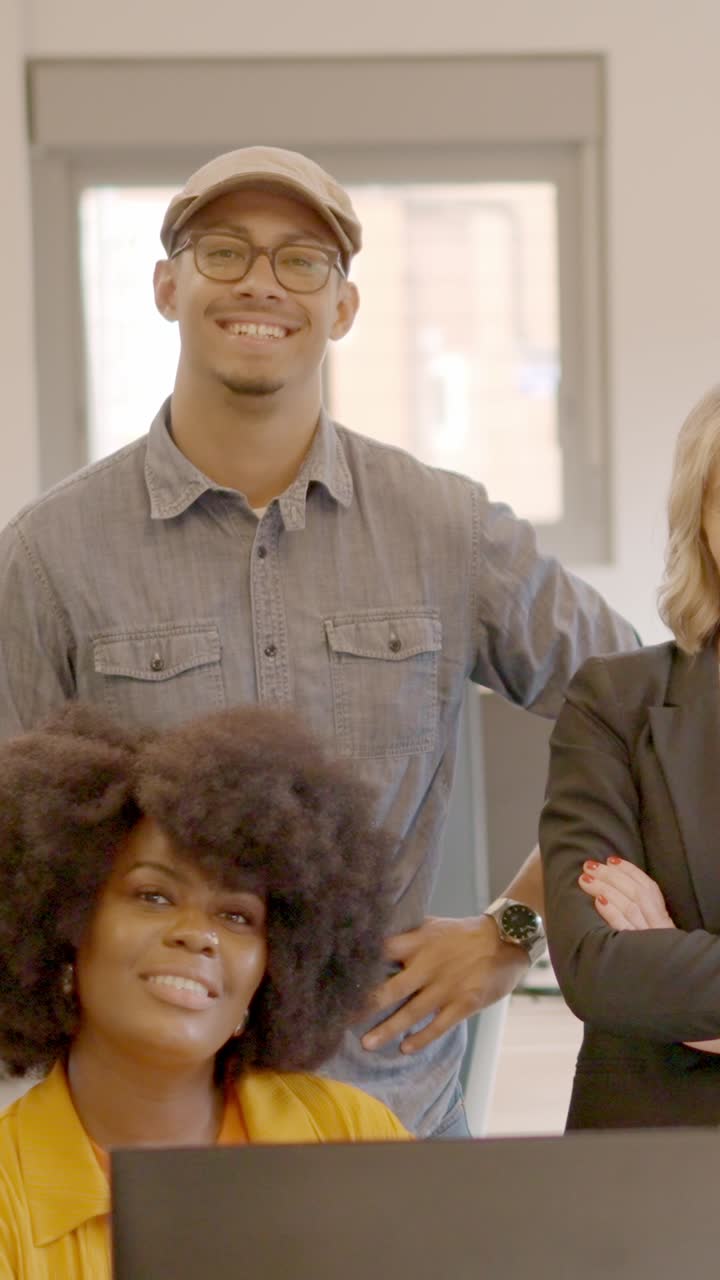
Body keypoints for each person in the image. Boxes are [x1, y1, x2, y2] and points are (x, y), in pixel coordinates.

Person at [0, 145, 638, 1136]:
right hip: (137, 1129)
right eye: (224, 251)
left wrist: (515, 929)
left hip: (384, 1110)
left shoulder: (444, 528)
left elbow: (656, 719)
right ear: (167, 286)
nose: (262, 280)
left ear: (342, 307)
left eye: (302, 259)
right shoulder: (50, 553)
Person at [0, 702, 409, 1278]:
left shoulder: (351, 1136)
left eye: (237, 916)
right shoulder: (8, 1192)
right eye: (154, 896)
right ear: (64, 923)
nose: (198, 936)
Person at [540, 384, 720, 1129]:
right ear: (702, 521)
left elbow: (645, 974)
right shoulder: (614, 702)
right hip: (650, 1178)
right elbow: (597, 966)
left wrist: (677, 972)